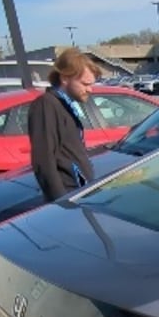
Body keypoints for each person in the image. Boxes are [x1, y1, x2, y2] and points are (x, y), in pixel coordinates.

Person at [28, 47, 101, 201]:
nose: (90, 90)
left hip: (79, 192)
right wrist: (61, 203)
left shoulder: (65, 105)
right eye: (85, 84)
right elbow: (44, 161)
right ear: (65, 78)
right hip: (67, 197)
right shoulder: (46, 105)